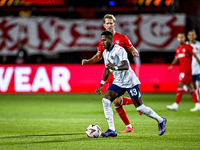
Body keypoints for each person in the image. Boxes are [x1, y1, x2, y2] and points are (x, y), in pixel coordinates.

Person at [96, 31, 167, 137]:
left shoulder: (120, 50)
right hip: (119, 81)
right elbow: (107, 69)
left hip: (130, 81)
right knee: (106, 101)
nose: (102, 42)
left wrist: (114, 67)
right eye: (101, 40)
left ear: (111, 40)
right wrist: (101, 84)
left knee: (140, 107)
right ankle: (112, 129)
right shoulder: (105, 53)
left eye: (105, 40)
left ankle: (161, 120)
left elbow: (125, 65)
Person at [82, 14, 140, 133]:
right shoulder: (102, 40)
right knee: (116, 101)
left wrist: (134, 52)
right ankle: (129, 125)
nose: (109, 25)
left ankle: (136, 106)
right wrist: (88, 61)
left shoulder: (122, 38)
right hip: (111, 75)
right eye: (106, 23)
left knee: (116, 100)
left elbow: (131, 48)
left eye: (110, 23)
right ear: (104, 25)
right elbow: (98, 56)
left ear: (114, 24)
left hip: (122, 75)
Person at [167, 32, 200, 112]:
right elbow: (176, 59)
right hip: (181, 70)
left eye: (182, 37)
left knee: (180, 84)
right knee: (190, 87)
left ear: (185, 38)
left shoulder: (188, 47)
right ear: (177, 39)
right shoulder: (178, 49)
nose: (180, 39)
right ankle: (197, 104)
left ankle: (176, 104)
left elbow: (196, 56)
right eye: (179, 37)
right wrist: (172, 65)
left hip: (187, 70)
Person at [186, 30, 200, 102]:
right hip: (190, 69)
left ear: (195, 36)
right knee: (193, 87)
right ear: (188, 36)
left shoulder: (199, 45)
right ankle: (197, 101)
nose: (191, 36)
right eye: (190, 35)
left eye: (193, 35)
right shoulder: (185, 45)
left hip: (198, 69)